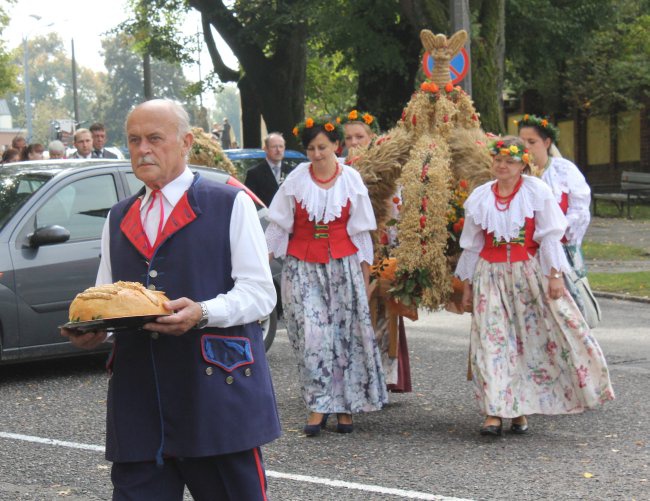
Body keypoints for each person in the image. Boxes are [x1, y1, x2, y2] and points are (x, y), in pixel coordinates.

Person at [61, 99, 281, 500]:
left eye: (155, 138)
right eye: (134, 140)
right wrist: (95, 330)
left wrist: (203, 312)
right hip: (139, 401)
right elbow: (108, 298)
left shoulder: (229, 203)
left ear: (186, 143)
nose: (143, 149)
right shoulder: (118, 216)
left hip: (215, 396)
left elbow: (260, 293)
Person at [455, 136, 614, 436]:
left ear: (522, 164)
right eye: (498, 160)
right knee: (492, 342)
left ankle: (519, 410)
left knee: (527, 343)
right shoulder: (479, 196)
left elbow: (551, 235)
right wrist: (467, 285)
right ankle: (494, 413)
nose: (502, 165)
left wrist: (555, 276)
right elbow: (472, 245)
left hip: (527, 275)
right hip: (490, 276)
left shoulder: (536, 191)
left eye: (509, 161)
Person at [266, 116, 387, 437]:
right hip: (302, 265)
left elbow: (361, 231)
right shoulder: (296, 180)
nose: (317, 154)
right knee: (312, 335)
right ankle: (319, 403)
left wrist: (364, 276)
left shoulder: (350, 179)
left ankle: (345, 406)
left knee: (345, 334)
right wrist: (261, 264)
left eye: (322, 147)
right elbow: (278, 225)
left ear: (337, 145)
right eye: (310, 148)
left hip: (343, 265)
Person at [339, 109, 412, 393]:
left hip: (378, 251)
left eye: (360, 136)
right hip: (345, 250)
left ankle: (380, 375)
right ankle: (350, 375)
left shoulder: (386, 171)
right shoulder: (339, 170)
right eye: (348, 138)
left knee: (378, 312)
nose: (354, 142)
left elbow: (395, 211)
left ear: (372, 138)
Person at [517, 114, 594, 321]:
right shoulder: (516, 174)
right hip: (526, 253)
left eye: (532, 142)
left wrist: (555, 232)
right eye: (522, 142)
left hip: (561, 249)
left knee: (566, 311)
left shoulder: (563, 170)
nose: (526, 147)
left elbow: (580, 210)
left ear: (547, 142)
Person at [244, 132, 293, 207]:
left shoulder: (292, 172)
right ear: (265, 149)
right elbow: (250, 202)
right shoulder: (254, 173)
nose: (278, 150)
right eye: (274, 147)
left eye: (281, 146)